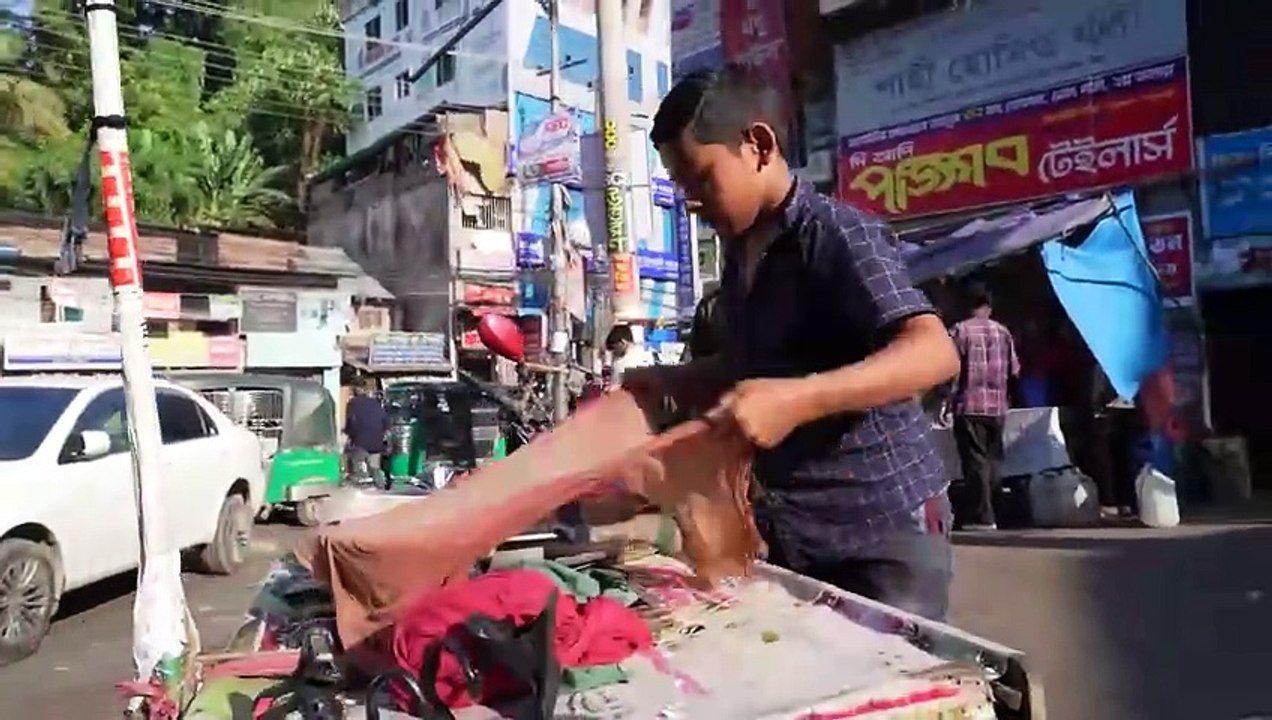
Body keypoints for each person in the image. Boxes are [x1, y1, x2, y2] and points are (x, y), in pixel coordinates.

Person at [629, 65, 961, 620]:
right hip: (797, 533)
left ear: (758, 145)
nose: (692, 203)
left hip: (881, 531)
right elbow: (750, 369)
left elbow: (932, 351)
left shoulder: (836, 234)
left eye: (703, 179)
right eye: (683, 188)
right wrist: (673, 381)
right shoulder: (738, 256)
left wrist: (799, 399)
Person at [947, 287, 1020, 530]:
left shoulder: (960, 330)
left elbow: (949, 370)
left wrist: (944, 400)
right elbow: (1015, 370)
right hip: (997, 407)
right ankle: (996, 511)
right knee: (994, 459)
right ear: (988, 306)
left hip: (968, 405)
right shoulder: (1004, 332)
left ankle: (983, 517)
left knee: (975, 461)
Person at [344, 379, 389, 487]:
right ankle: (381, 486)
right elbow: (386, 422)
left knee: (357, 466)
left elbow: (351, 422)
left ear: (355, 389)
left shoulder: (353, 403)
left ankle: (359, 487)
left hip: (360, 442)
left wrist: (348, 433)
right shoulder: (375, 403)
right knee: (375, 467)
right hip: (376, 442)